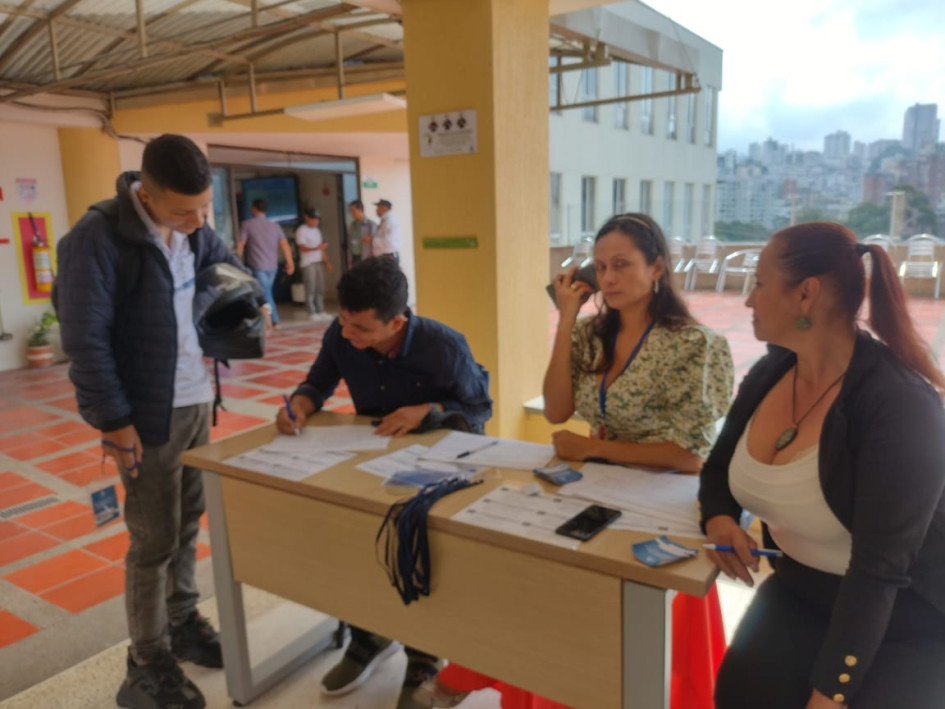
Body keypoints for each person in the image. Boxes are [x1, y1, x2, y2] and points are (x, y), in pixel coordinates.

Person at [418, 213, 734, 709]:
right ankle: (529, 681)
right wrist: (566, 318)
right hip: (595, 486)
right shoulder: (590, 334)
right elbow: (560, 409)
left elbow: (690, 456)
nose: (608, 279)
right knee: (538, 584)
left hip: (660, 498)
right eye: (602, 266)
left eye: (623, 265)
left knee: (616, 613)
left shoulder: (695, 346)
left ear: (657, 269)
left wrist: (595, 448)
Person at [55, 134, 267, 709]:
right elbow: (85, 341)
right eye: (183, 211)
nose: (197, 222)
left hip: (196, 399)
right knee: (151, 541)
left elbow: (234, 269)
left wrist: (253, 295)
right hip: (144, 414)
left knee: (187, 521)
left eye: (204, 209)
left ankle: (182, 623)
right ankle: (147, 659)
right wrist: (115, 421)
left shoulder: (193, 227)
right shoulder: (98, 239)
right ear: (144, 193)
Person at [698, 222, 945, 709]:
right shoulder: (771, 372)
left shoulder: (899, 406)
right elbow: (715, 472)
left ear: (805, 294)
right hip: (798, 593)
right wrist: (720, 518)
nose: (748, 300)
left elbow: (878, 572)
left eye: (760, 284)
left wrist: (830, 695)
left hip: (904, 618)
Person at [276, 257, 492, 709]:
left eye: (361, 330)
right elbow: (318, 382)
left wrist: (428, 411)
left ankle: (423, 655)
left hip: (432, 468)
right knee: (355, 547)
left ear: (397, 321)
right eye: (344, 323)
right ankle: (367, 635)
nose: (348, 337)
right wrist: (300, 403)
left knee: (418, 555)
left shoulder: (443, 345)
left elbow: (478, 410)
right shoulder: (342, 332)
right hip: (370, 461)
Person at [237, 197, 294, 327]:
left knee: (265, 293)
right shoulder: (275, 226)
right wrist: (290, 262)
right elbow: (285, 244)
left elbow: (241, 244)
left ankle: (274, 321)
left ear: (253, 209)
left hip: (258, 265)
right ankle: (267, 320)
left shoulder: (247, 224)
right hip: (272, 266)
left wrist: (237, 262)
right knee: (267, 292)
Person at [294, 207, 332, 320]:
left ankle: (320, 310)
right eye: (314, 219)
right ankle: (311, 312)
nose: (316, 221)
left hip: (318, 261)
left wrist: (327, 262)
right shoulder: (301, 230)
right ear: (307, 218)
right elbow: (302, 247)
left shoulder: (317, 230)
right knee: (311, 287)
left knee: (320, 287)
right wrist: (316, 248)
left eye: (317, 219)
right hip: (308, 263)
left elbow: (321, 248)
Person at [347, 199, 377, 267]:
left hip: (366, 258)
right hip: (354, 257)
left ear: (361, 210)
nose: (352, 214)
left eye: (353, 211)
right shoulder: (352, 225)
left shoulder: (371, 225)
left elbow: (375, 243)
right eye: (351, 211)